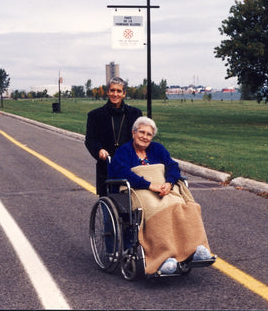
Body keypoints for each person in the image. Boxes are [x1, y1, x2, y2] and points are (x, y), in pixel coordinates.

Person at [109, 116, 213, 275]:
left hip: (163, 187)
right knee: (159, 209)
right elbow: (122, 172)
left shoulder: (158, 149)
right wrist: (150, 185)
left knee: (185, 206)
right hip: (139, 189)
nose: (144, 137)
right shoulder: (124, 151)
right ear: (133, 133)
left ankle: (196, 250)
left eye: (149, 134)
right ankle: (163, 257)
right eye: (141, 132)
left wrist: (169, 183)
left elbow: (173, 167)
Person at [85, 77, 142, 197]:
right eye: (112, 90)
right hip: (106, 167)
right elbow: (90, 140)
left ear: (124, 93)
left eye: (119, 91)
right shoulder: (95, 115)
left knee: (133, 207)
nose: (115, 94)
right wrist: (99, 150)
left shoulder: (135, 114)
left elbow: (141, 137)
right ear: (107, 92)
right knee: (109, 206)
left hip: (130, 166)